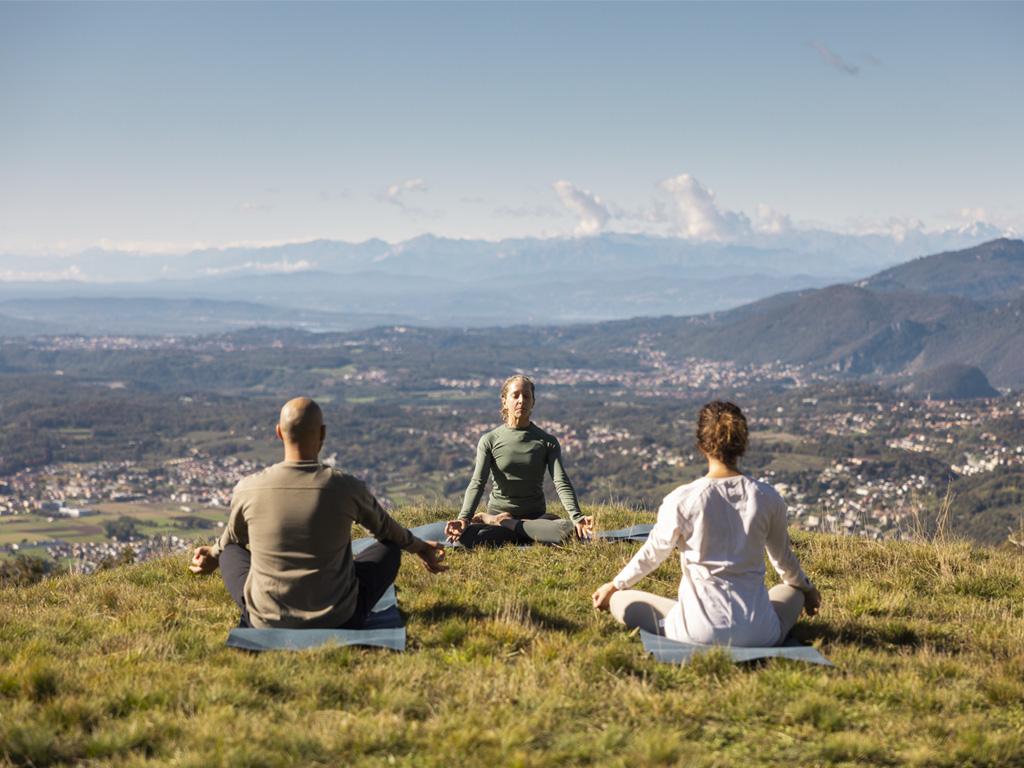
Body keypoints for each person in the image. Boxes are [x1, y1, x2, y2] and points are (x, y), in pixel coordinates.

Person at [189, 397, 446, 629]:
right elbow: (388, 530)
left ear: (279, 433)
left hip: (266, 619)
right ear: (322, 433)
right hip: (340, 617)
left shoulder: (248, 488)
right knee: (390, 547)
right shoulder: (345, 487)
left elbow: (231, 539)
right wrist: (419, 546)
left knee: (230, 550)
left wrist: (212, 554)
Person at [592, 400, 821, 646]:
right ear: (743, 445)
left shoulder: (683, 499)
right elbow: (784, 561)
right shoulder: (767, 497)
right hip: (759, 634)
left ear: (701, 446)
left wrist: (615, 586)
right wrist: (807, 590)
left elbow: (653, 553)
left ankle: (681, 616)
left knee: (620, 600)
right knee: (794, 592)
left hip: (695, 633)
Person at [444, 375, 592, 548]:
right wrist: (464, 519)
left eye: (526, 396)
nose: (521, 400)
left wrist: (577, 517)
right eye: (515, 395)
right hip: (500, 513)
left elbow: (561, 482)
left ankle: (508, 524)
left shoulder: (547, 441)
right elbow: (478, 482)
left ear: (533, 402)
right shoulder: (490, 440)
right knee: (466, 539)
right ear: (504, 401)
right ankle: (514, 525)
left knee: (567, 530)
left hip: (533, 518)